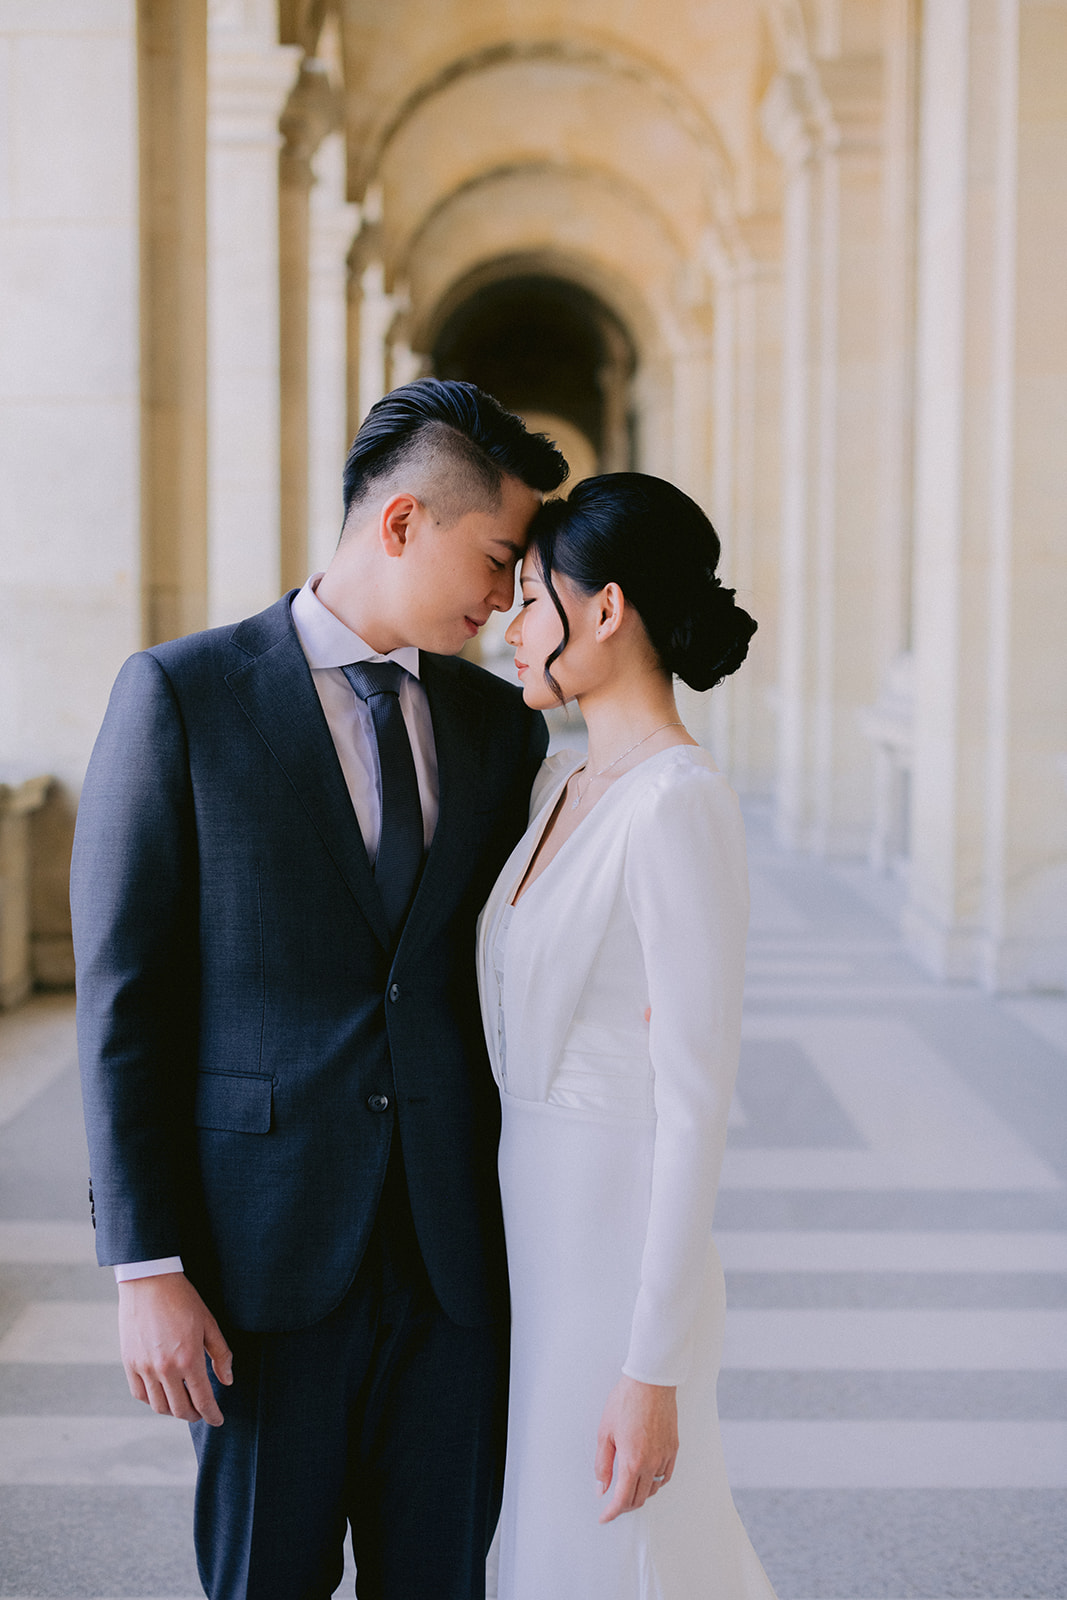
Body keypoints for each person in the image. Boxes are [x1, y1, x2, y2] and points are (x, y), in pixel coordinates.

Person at [71, 379, 568, 1600]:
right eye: (498, 556)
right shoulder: (181, 695)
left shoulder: (500, 729)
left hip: (456, 1268)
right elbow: (124, 997)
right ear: (401, 523)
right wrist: (146, 1268)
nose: (507, 597)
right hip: (259, 1268)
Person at [476, 473, 777, 1599]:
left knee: (622, 1556)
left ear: (605, 610)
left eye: (531, 597)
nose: (512, 625)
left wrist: (651, 1366)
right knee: (545, 1544)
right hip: (531, 1230)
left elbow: (696, 1099)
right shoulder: (558, 777)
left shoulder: (677, 801)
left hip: (617, 1246)